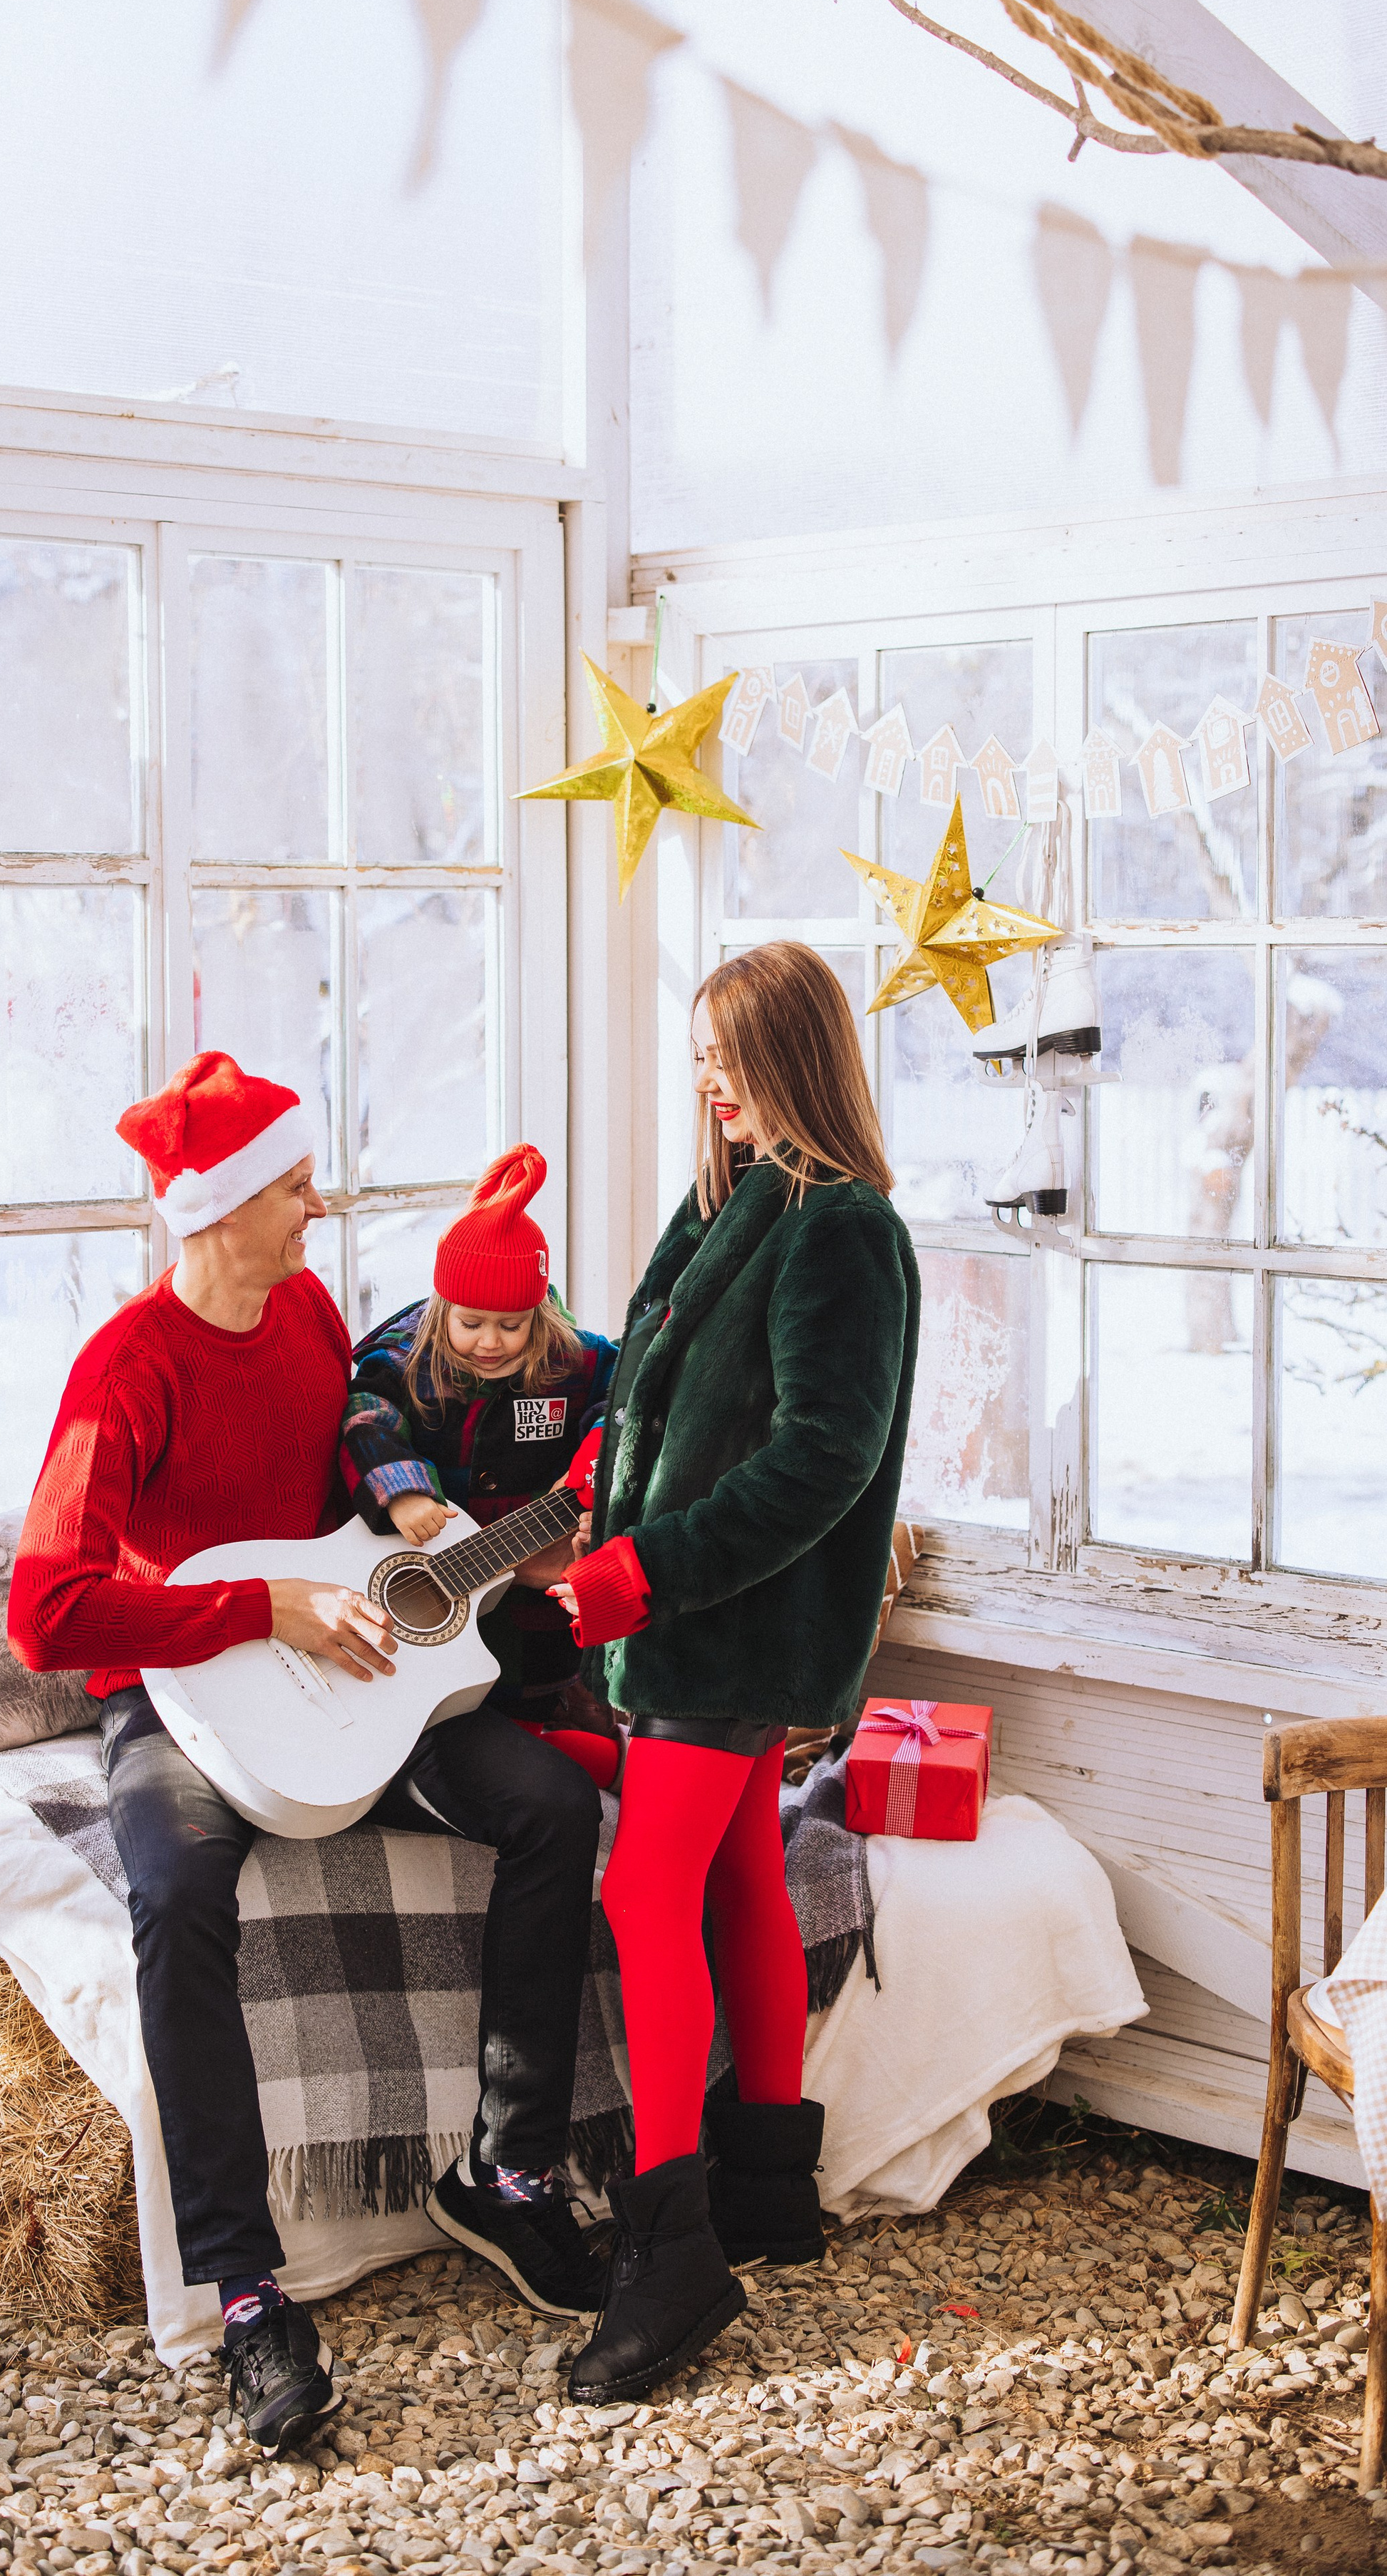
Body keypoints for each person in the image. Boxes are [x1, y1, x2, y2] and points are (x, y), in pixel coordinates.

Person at [6, 1051, 604, 2458]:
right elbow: (44, 1612)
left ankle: (508, 2168)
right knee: (175, 1894)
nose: (316, 1206)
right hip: (184, 1701)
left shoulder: (313, 1315)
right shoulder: (125, 1368)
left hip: (358, 1683)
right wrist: (259, 1608)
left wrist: (470, 1550)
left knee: (552, 1802)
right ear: (217, 1209)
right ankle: (244, 2290)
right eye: (292, 1186)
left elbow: (353, 1510)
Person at [548, 943, 920, 2404]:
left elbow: (825, 1455)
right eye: (698, 1053)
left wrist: (648, 1568)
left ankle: (673, 2249)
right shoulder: (728, 1197)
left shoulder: (844, 1227)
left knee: (643, 1892)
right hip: (687, 1619)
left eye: (730, 1054)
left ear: (792, 1057)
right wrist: (597, 1472)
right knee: (738, 1875)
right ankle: (769, 2187)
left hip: (732, 1624)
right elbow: (654, 1385)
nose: (707, 1079)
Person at [339, 1143, 622, 1791]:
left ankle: (571, 1739)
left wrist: (591, 1468)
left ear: (539, 1314)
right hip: (433, 1586)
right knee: (452, 1709)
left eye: (511, 1326)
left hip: (536, 1606)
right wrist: (402, 1490)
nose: (490, 1343)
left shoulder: (574, 1359)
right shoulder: (404, 1360)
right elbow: (365, 1415)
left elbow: (624, 1400)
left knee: (532, 1698)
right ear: (444, 1307)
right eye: (471, 1323)